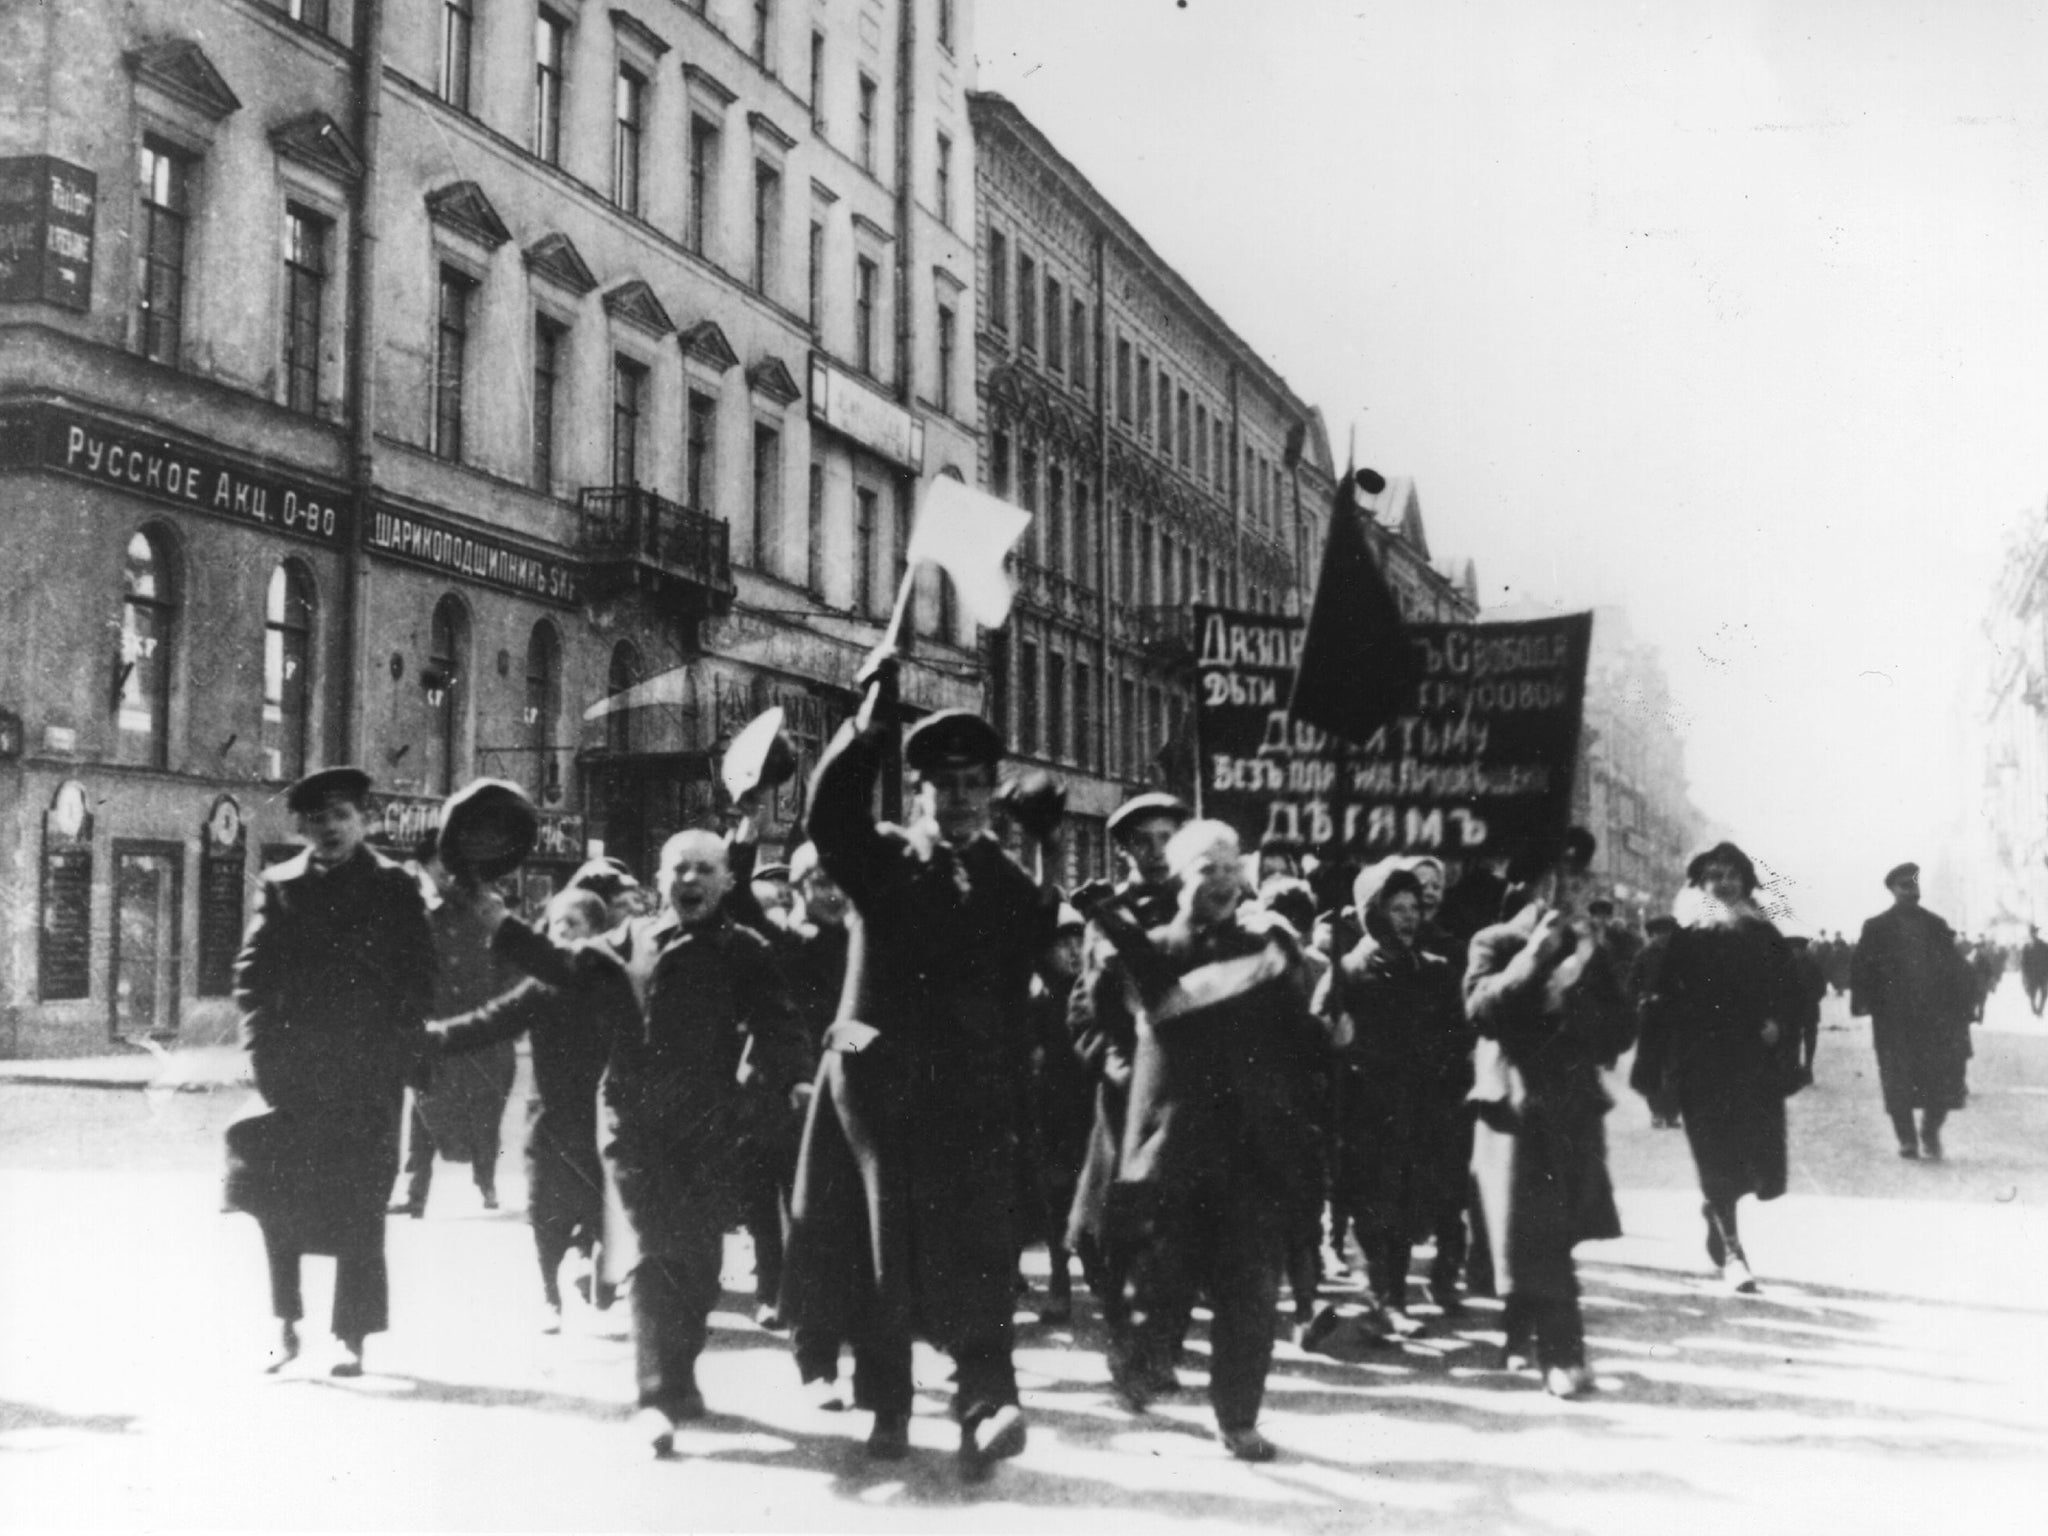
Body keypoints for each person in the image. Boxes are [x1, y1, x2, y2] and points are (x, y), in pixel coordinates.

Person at [781, 699, 1056, 1479]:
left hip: (971, 1097)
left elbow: (1015, 987)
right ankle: (890, 1404)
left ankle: (985, 1406)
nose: (961, 798)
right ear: (920, 794)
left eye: (975, 784)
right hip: (880, 1087)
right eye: (945, 785)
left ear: (991, 791)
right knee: (885, 1246)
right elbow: (829, 820)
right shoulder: (886, 858)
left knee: (980, 1247)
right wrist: (868, 731)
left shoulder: (1005, 881)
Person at [1098, 819, 1316, 1462]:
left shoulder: (1269, 950)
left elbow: (1296, 1035)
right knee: (1162, 1282)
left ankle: (1238, 1417)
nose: (1221, 882)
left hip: (1254, 1149)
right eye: (1205, 869)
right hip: (1176, 1148)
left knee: (1250, 1291)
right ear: (1179, 877)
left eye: (1230, 868)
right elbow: (1114, 1025)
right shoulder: (1150, 949)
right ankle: (1138, 1358)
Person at [230, 767, 436, 1377]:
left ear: (363, 821)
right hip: (296, 1074)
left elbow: (420, 976)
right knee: (280, 1200)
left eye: (341, 817)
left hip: (369, 1077)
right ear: (301, 826)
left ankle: (354, 1335)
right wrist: (263, 1049)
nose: (330, 830)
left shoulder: (395, 886)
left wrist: (402, 1049)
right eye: (317, 820)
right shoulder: (281, 884)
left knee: (362, 1203)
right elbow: (251, 974)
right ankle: (285, 1325)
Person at [611, 828, 811, 1455]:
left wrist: (812, 1073)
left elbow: (793, 1024)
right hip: (639, 1123)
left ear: (728, 882)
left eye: (705, 871)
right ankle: (654, 1393)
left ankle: (683, 1370)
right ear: (659, 877)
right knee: (651, 1254)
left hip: (719, 1120)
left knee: (698, 1263)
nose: (690, 882)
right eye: (678, 869)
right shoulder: (634, 939)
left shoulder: (752, 948)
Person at [1465, 831, 1634, 1400]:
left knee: (1546, 1232)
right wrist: (1533, 959)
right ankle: (1561, 1353)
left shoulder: (1594, 951)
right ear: (1530, 886)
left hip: (1572, 1105)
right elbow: (1481, 1009)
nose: (1568, 889)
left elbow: (1621, 1028)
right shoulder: (1493, 941)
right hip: (1513, 1105)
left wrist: (1577, 1013)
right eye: (1555, 878)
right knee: (1533, 1229)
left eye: (1577, 879)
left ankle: (1521, 1330)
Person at [426, 887, 629, 1332]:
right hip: (551, 1116)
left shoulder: (613, 982)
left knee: (600, 1203)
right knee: (545, 1206)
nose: (562, 935)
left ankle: (588, 1260)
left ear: (598, 933)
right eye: (556, 926)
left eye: (574, 926)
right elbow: (490, 1021)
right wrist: (433, 1037)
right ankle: (549, 1296)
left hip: (601, 1114)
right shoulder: (540, 989)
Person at [1633, 843, 1804, 1293]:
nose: (1723, 882)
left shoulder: (1764, 934)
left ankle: (1717, 1210)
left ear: (1745, 881)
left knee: (1760, 1167)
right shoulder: (1687, 939)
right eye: (1713, 876)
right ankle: (1733, 1251)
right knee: (1716, 1156)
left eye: (1731, 874)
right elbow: (1662, 1002)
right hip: (1702, 1065)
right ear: (1700, 885)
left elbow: (1793, 991)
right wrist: (1658, 1067)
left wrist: (1778, 1024)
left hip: (1753, 1064)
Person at [1066, 791, 1190, 1372]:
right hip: (1127, 1092)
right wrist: (1117, 1065)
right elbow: (1084, 1010)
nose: (1157, 853)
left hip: (1192, 1092)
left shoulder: (1206, 908)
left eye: (1168, 838)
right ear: (1125, 852)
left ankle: (1163, 1346)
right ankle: (1124, 1338)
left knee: (1179, 1223)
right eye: (1144, 841)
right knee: (1119, 1227)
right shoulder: (1107, 918)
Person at [1317, 865, 1473, 1319]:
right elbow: (1310, 1041)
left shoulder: (1435, 971)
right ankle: (1383, 1298)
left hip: (1421, 1109)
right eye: (1395, 908)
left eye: (1413, 909)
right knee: (1373, 1205)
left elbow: (1458, 1039)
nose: (1407, 918)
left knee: (1408, 1205)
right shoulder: (1346, 973)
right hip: (1364, 1111)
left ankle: (1393, 1297)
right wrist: (1333, 1038)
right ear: (1372, 912)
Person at [390, 829, 521, 1217]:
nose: (447, 874)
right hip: (436, 1025)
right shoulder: (417, 914)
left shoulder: (488, 909)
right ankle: (415, 1195)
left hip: (484, 1029)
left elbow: (510, 966)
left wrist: (504, 1012)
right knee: (423, 1108)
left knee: (486, 1108)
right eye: (439, 866)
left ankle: (487, 1180)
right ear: (425, 867)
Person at [1850, 863, 1978, 1160]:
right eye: (1904, 885)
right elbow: (1862, 967)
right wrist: (1863, 1001)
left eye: (1914, 884)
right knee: (1897, 1080)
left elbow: (1956, 967)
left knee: (1941, 1080)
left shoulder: (1936, 924)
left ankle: (1930, 1131)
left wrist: (1965, 1004)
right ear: (1893, 890)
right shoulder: (1876, 926)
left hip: (1935, 1019)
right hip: (1894, 1020)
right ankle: (1907, 1139)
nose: (1911, 890)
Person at [2021, 924, 2048, 1018]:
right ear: (2030, 934)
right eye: (2032, 933)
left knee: (2044, 993)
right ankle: (2034, 1008)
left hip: (2042, 975)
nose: (2034, 934)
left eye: (2035, 932)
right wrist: (2024, 976)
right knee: (2032, 994)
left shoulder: (2044, 945)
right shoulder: (2027, 947)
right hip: (2031, 975)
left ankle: (2040, 1010)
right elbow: (2023, 963)